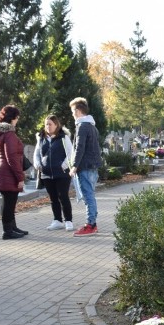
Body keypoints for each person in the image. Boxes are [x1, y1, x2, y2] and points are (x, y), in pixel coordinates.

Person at [0, 104, 27, 240]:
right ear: (13, 118)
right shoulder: (9, 134)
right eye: (17, 117)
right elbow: (12, 157)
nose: (18, 120)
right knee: (10, 203)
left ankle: (13, 227)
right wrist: (20, 176)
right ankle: (7, 231)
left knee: (9, 201)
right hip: (7, 171)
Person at [68, 97, 103, 236]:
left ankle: (91, 224)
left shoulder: (82, 126)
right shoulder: (92, 126)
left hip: (85, 166)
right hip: (93, 166)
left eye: (72, 111)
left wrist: (74, 166)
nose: (72, 114)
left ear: (78, 110)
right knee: (90, 196)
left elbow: (79, 148)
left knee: (88, 196)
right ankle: (92, 222)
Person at [34, 114, 74, 232]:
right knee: (53, 198)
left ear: (56, 125)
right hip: (46, 174)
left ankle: (68, 220)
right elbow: (37, 153)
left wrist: (64, 165)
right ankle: (57, 220)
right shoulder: (41, 138)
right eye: (46, 124)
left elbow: (71, 153)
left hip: (61, 174)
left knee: (63, 196)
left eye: (50, 124)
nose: (48, 126)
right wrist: (38, 164)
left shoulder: (63, 138)